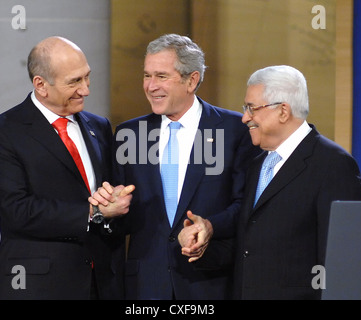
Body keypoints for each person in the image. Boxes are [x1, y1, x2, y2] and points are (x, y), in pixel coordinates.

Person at [89, 33, 261, 300]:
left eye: (161, 76)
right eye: (147, 75)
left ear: (191, 80)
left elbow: (245, 206)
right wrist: (110, 214)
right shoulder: (129, 134)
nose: (151, 86)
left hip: (209, 283)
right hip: (145, 286)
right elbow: (121, 220)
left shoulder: (233, 131)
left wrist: (209, 226)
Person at [178, 65, 361, 300]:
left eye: (251, 108)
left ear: (283, 111)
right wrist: (201, 248)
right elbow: (248, 248)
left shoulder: (333, 165)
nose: (245, 117)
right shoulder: (258, 164)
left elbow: (343, 262)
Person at [0, 36, 132, 300]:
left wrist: (115, 202)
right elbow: (17, 210)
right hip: (40, 286)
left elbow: (109, 197)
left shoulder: (100, 127)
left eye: (87, 77)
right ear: (41, 85)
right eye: (74, 81)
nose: (86, 90)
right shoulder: (1, 132)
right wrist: (93, 210)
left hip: (103, 283)